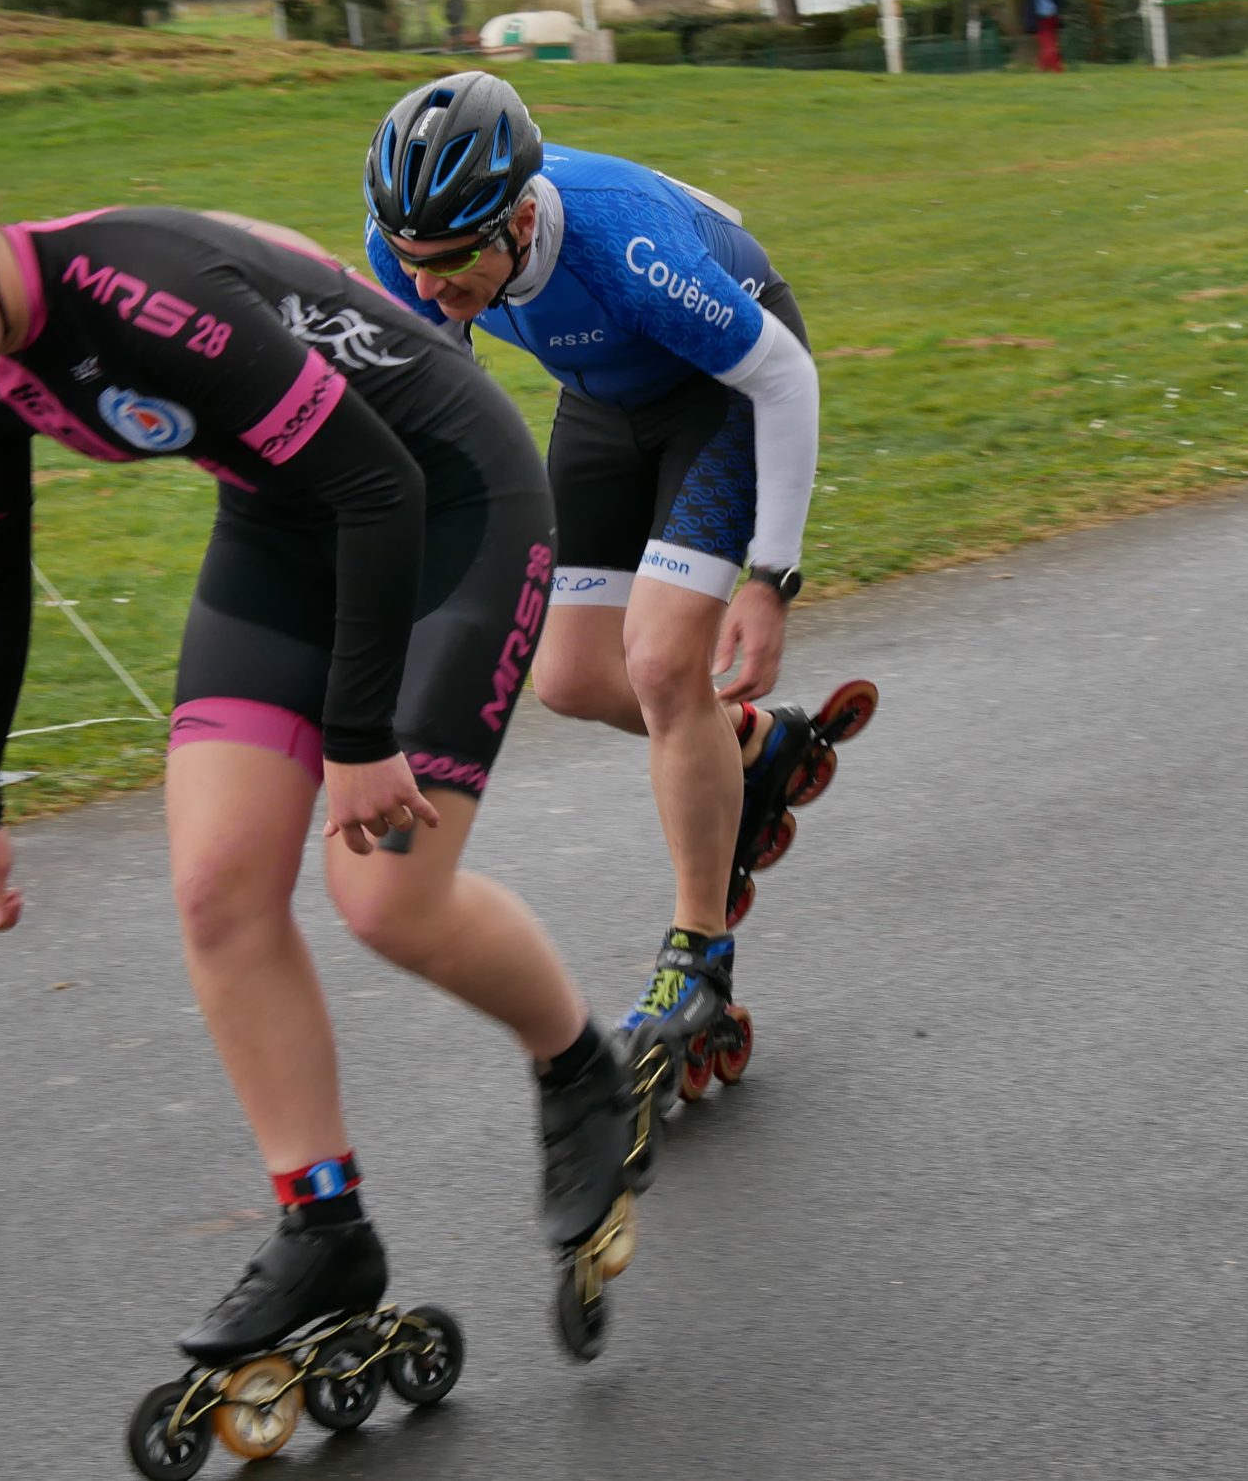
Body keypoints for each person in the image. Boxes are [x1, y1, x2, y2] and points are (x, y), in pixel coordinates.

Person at [0, 95, 639, 1375]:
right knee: (217, 886)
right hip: (286, 515)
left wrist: (356, 731)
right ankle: (323, 1224)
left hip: (444, 498)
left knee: (384, 895)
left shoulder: (137, 288)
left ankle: (579, 1065)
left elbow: (376, 481)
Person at [355, 71, 874, 1114]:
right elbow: (438, 414)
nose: (425, 285)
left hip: (721, 392)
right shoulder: (409, 253)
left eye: (451, 263)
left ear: (518, 219)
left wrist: (771, 576)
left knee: (662, 663)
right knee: (572, 677)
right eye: (409, 259)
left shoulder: (624, 246)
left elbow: (782, 378)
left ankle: (697, 961)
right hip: (602, 405)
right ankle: (754, 748)